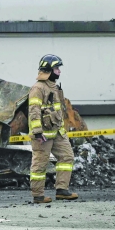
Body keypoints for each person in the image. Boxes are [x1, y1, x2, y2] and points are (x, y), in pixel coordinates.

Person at [27, 54, 78, 204]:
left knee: (67, 156)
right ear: (49, 69)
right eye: (57, 68)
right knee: (40, 163)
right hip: (42, 135)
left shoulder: (54, 87)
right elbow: (34, 111)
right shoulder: (38, 88)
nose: (59, 71)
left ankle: (62, 190)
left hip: (57, 132)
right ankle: (38, 195)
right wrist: (37, 132)